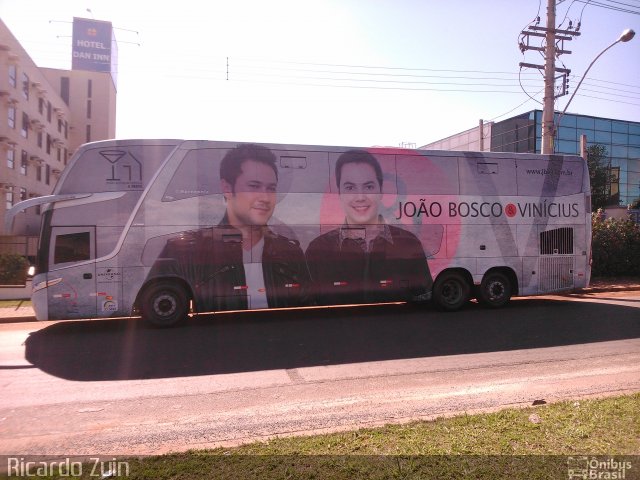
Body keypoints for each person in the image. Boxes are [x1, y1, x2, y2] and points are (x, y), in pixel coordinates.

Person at [147, 143, 311, 312]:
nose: (265, 197)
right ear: (227, 188)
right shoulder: (181, 251)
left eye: (271, 188)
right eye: (254, 186)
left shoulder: (291, 253)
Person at [305, 149, 432, 305]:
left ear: (381, 191)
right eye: (350, 188)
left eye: (369, 186)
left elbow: (423, 299)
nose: (360, 197)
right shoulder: (317, 249)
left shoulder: (409, 243)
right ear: (339, 194)